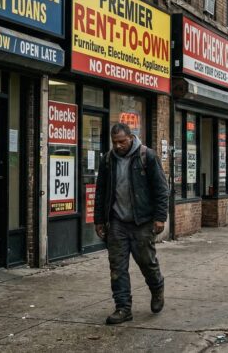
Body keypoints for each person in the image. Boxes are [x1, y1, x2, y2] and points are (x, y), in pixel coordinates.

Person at [94, 123, 169, 325]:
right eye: (115, 142)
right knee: (117, 267)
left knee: (147, 262)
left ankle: (157, 288)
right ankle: (123, 308)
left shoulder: (148, 156)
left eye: (122, 141)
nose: (118, 146)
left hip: (142, 221)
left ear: (131, 137)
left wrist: (160, 217)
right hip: (117, 221)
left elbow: (161, 190)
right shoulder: (108, 160)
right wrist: (99, 220)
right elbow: (100, 192)